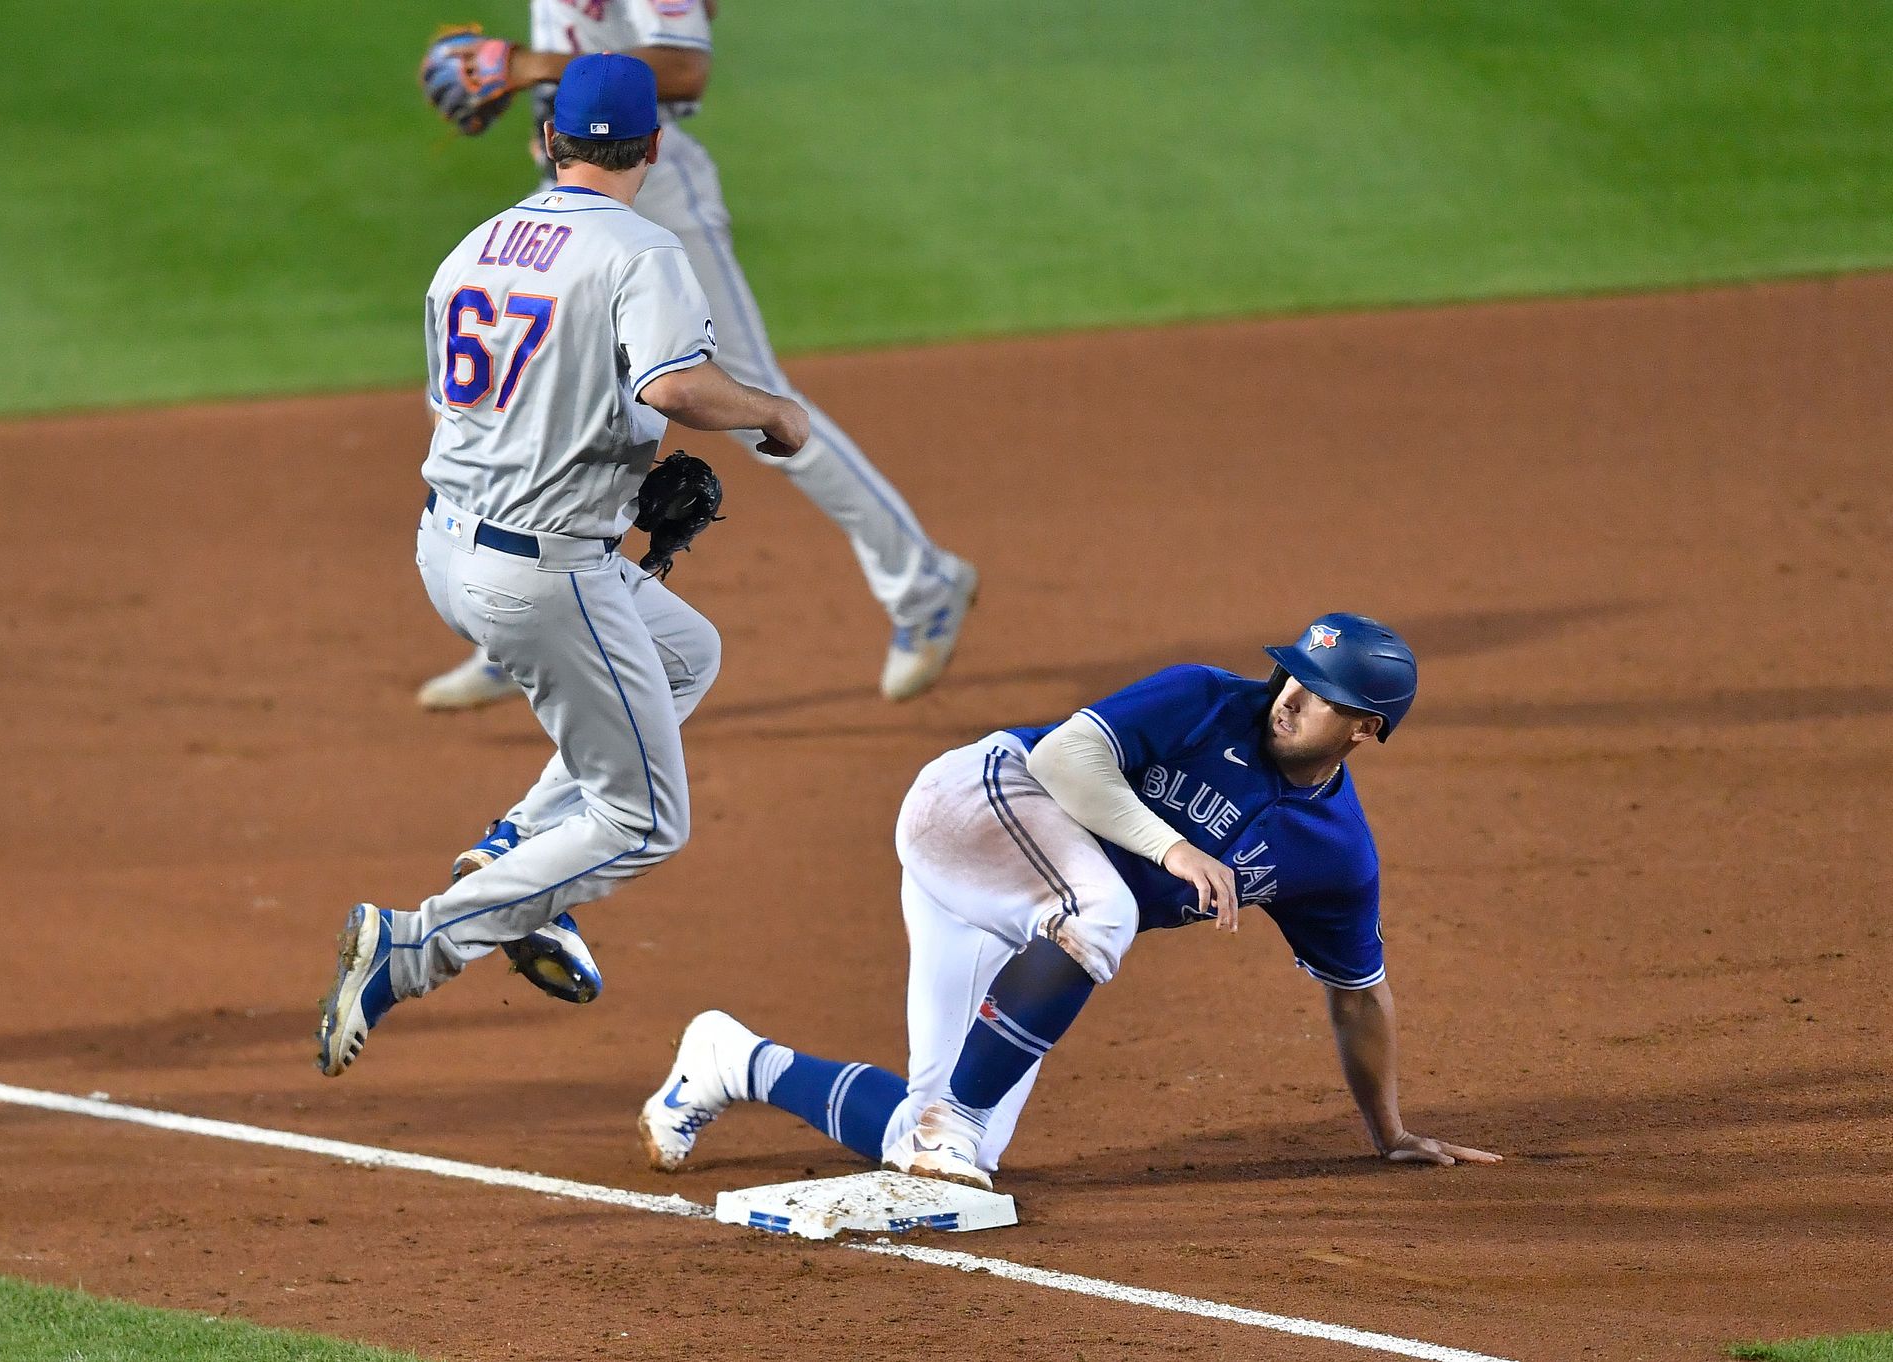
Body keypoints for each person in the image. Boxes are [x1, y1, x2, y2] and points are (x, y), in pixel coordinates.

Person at [318, 53, 809, 1077]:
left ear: (548, 139)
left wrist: (620, 505)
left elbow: (503, 419)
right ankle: (422, 944)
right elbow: (676, 389)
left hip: (444, 546)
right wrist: (771, 415)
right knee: (645, 821)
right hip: (538, 576)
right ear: (653, 145)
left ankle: (515, 851)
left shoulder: (472, 247)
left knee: (683, 653)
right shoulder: (639, 249)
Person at [636, 614, 1501, 1186]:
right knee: (1104, 914)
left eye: (1322, 696)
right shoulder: (1205, 698)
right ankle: (958, 1120)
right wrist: (1171, 846)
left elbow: (1357, 993)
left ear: (1367, 730)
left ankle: (729, 1060)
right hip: (978, 799)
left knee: (936, 1142)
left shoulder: (1335, 855)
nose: (1289, 698)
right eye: (1291, 676)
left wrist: (1389, 1131)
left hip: (1009, 899)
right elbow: (1062, 760)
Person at [414, 0, 977, 712]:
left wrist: (527, 68)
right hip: (570, 180)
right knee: (525, 387)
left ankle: (924, 582)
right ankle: (517, 625)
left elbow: (683, 68)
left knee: (751, 399)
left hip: (654, 191)